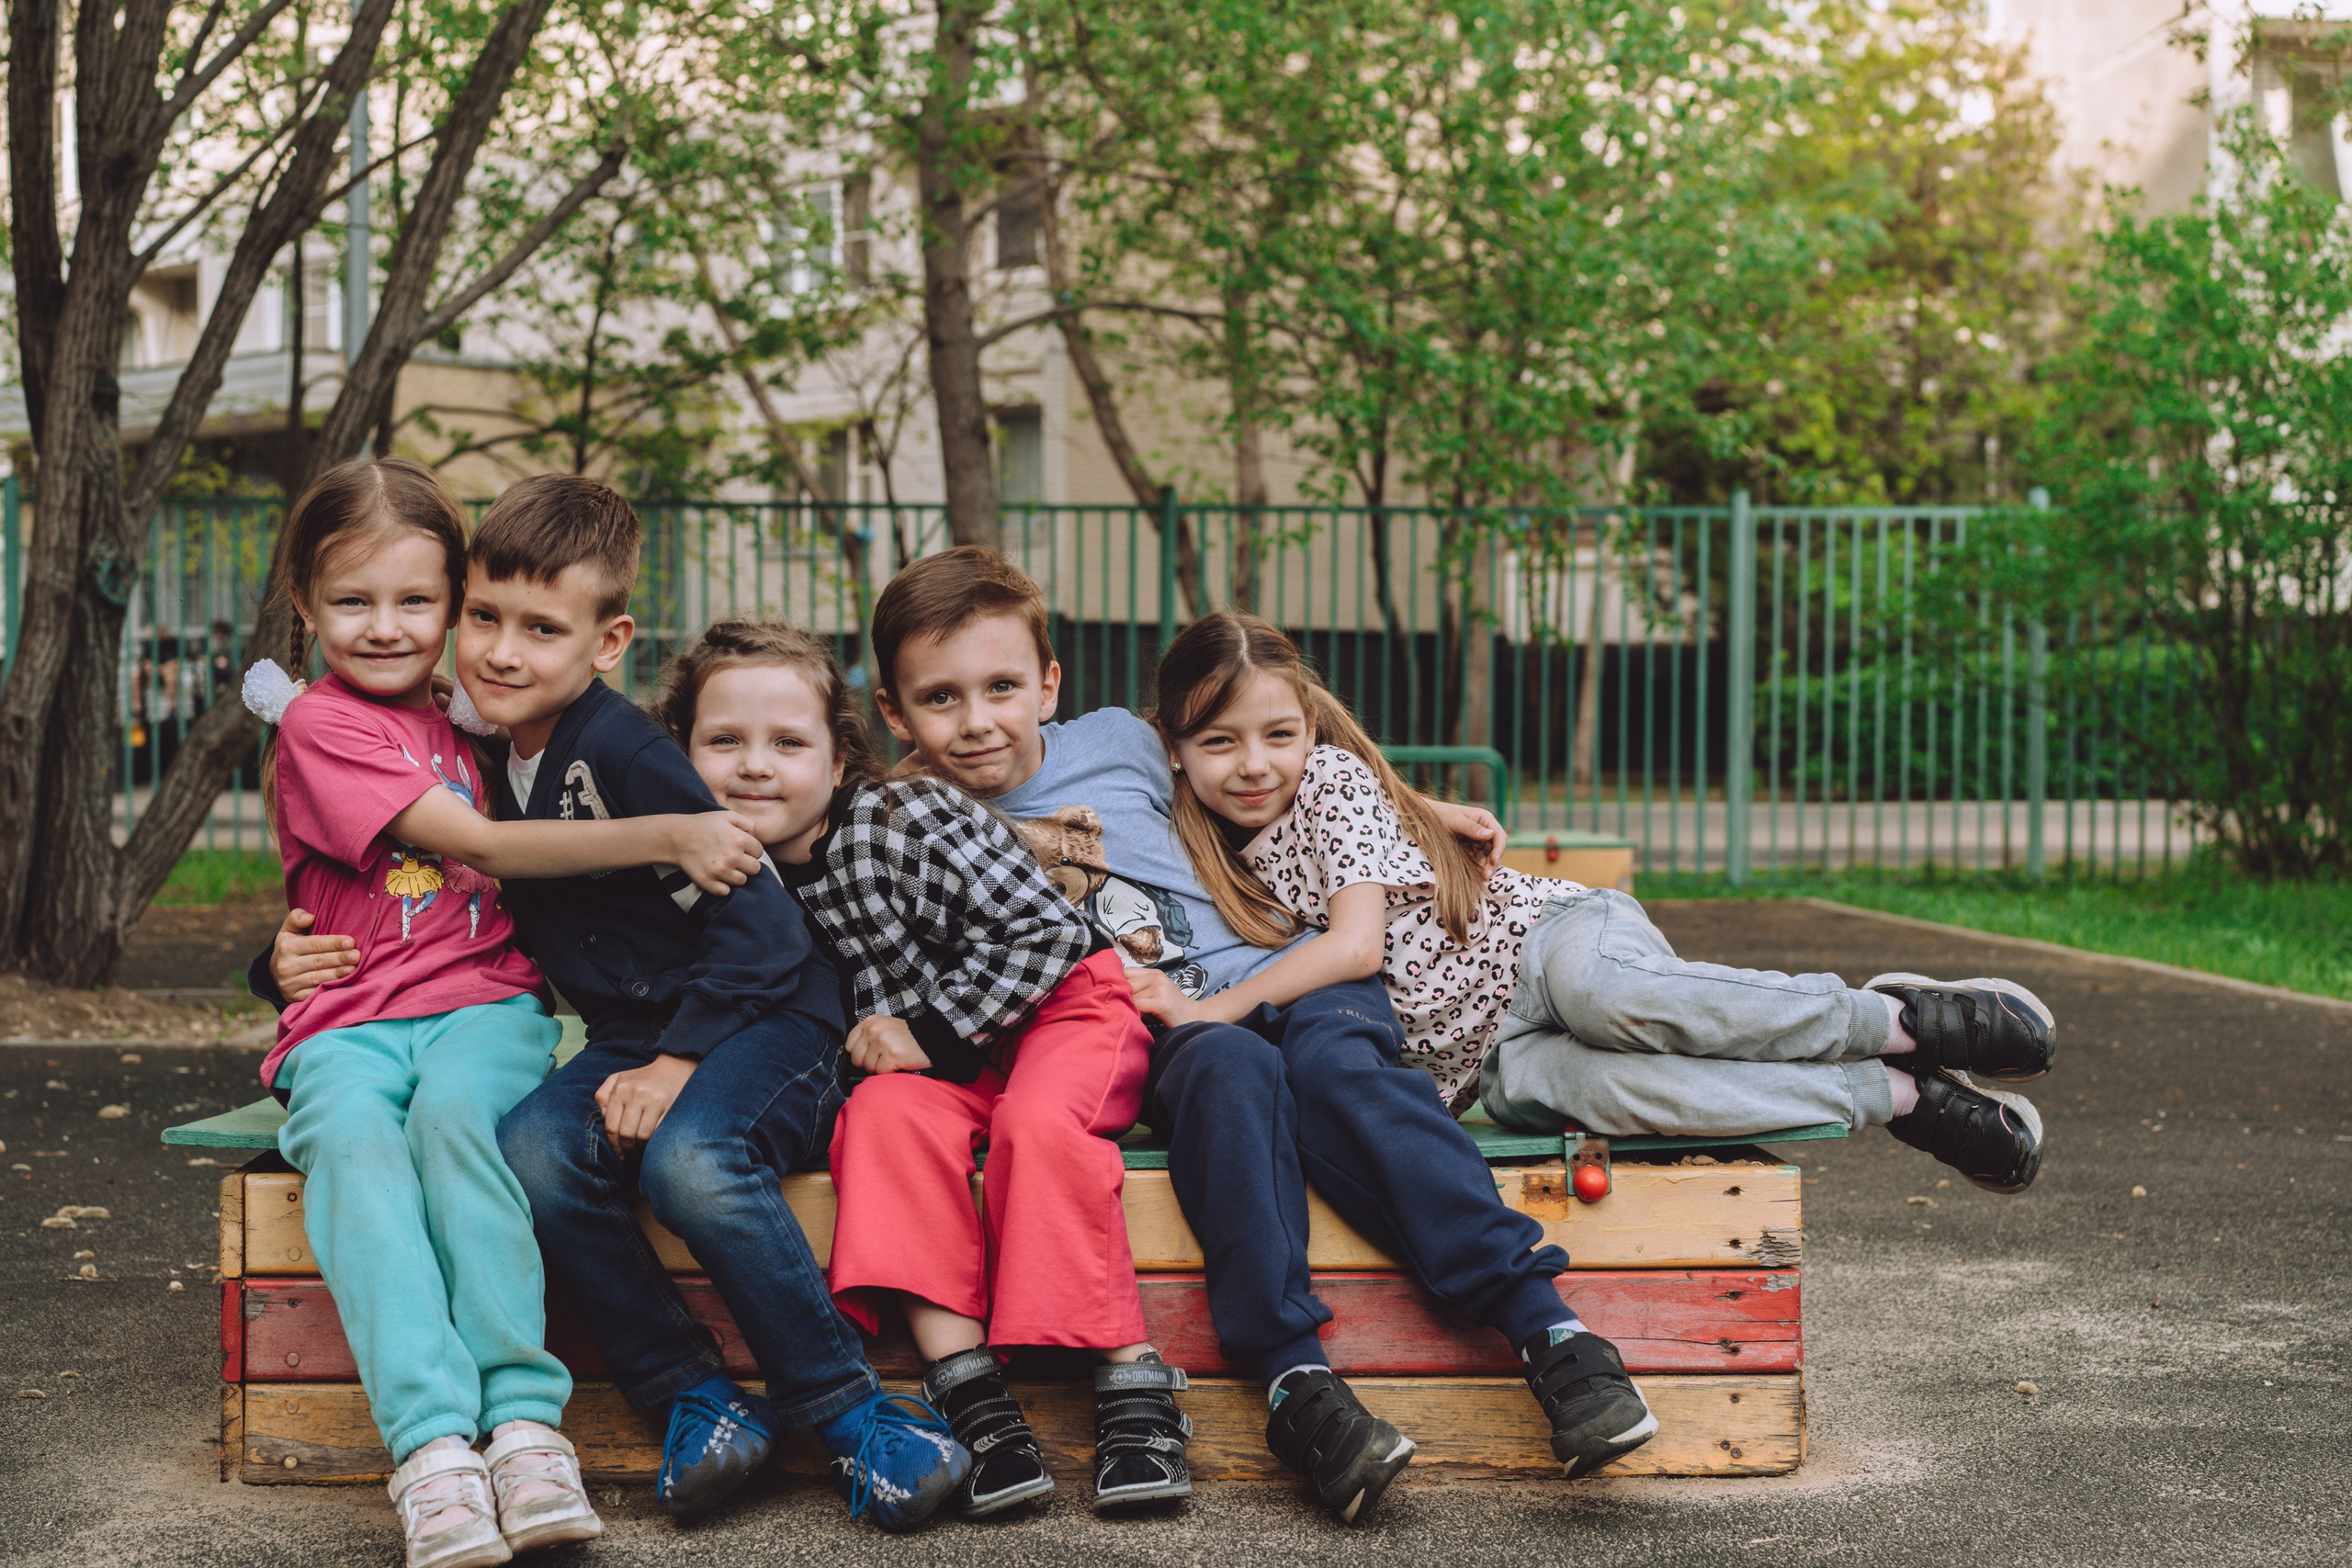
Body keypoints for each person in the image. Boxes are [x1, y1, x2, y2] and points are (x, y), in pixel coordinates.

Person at [271, 476, 970, 1534]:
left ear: (607, 643)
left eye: (542, 629)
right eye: (487, 621)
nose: (504, 652)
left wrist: (680, 1063)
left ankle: (850, 1411)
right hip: (639, 1034)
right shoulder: (485, 752)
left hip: (769, 1019)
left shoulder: (626, 753)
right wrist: (271, 960)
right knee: (536, 1149)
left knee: (690, 1159)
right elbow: (395, 890)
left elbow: (771, 931)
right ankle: (694, 1397)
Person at [824, 546, 1532, 1525]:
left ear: (1048, 684)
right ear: (896, 714)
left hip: (1196, 1005)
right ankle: (973, 1390)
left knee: (1239, 1075)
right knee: (886, 1114)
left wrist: (1412, 810)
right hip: (1054, 1035)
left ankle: (1172, 1383)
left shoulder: (1116, 740)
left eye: (1001, 687)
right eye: (940, 699)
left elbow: (1254, 739)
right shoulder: (903, 814)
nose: (978, 720)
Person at [248, 457, 779, 1568]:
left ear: (451, 602)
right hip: (344, 1025)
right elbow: (484, 847)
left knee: (459, 1127)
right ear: (305, 606)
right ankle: (432, 1445)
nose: (388, 628)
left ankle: (526, 1426)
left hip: (482, 1009)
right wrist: (674, 832)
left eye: (416, 602)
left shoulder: (472, 716)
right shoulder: (321, 726)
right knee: (352, 1145)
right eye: (352, 602)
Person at [1142, 612, 2056, 1191]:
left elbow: (1352, 947)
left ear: (1309, 727)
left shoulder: (1330, 777)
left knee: (1616, 1001)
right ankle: (1896, 1096)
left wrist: (1202, 1014)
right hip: (1484, 1066)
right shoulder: (1189, 837)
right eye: (1219, 742)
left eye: (1276, 734)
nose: (1253, 763)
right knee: (1627, 1093)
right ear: (1174, 746)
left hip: (1540, 943)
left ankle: (1895, 1018)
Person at [649, 618, 1189, 1517]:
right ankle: (969, 1390)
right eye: (724, 744)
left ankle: (1132, 1386)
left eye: (787, 743)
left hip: (1064, 1007)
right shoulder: (734, 872)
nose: (755, 767)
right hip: (955, 1054)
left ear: (836, 758)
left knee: (1036, 1126)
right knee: (882, 1123)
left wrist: (925, 1033)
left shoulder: (902, 818)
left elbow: (1048, 935)